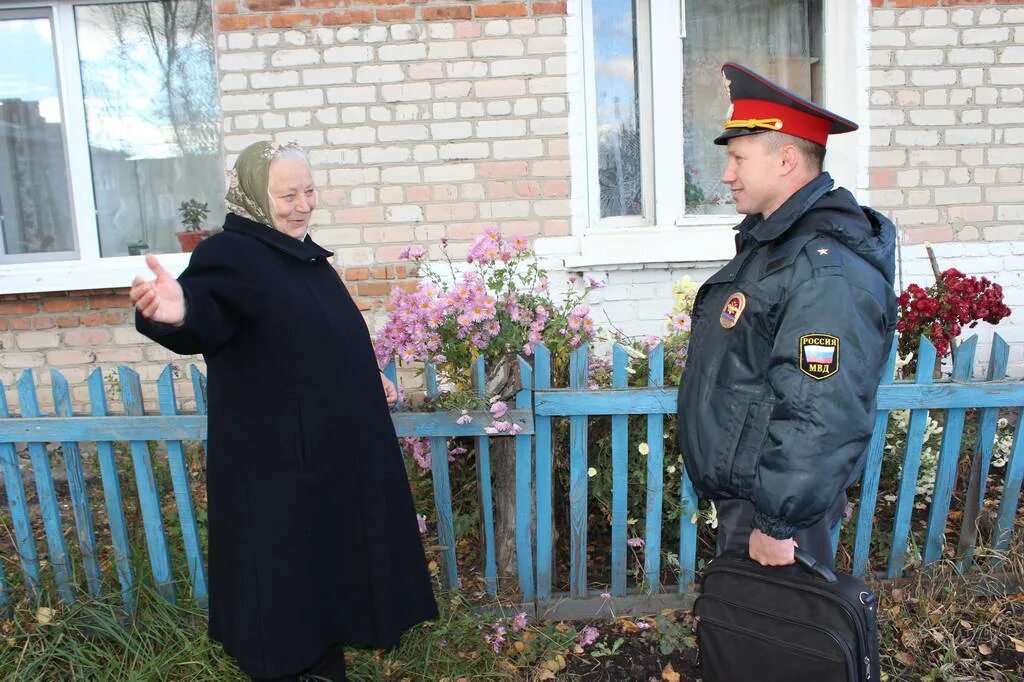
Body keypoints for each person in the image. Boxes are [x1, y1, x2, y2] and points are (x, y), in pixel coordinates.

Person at [131, 141, 438, 681]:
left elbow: (311, 339)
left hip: (325, 458)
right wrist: (178, 312)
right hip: (278, 468)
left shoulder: (300, 255)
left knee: (322, 579)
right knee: (284, 589)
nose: (303, 204)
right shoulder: (232, 254)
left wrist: (364, 382)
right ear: (254, 196)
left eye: (309, 191)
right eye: (287, 194)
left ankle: (323, 667)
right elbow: (209, 313)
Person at [676, 63, 897, 572]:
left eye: (738, 158)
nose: (727, 174)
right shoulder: (774, 246)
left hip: (775, 510)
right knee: (749, 636)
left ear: (787, 160)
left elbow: (822, 406)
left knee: (779, 641)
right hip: (755, 497)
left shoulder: (825, 271)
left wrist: (779, 522)